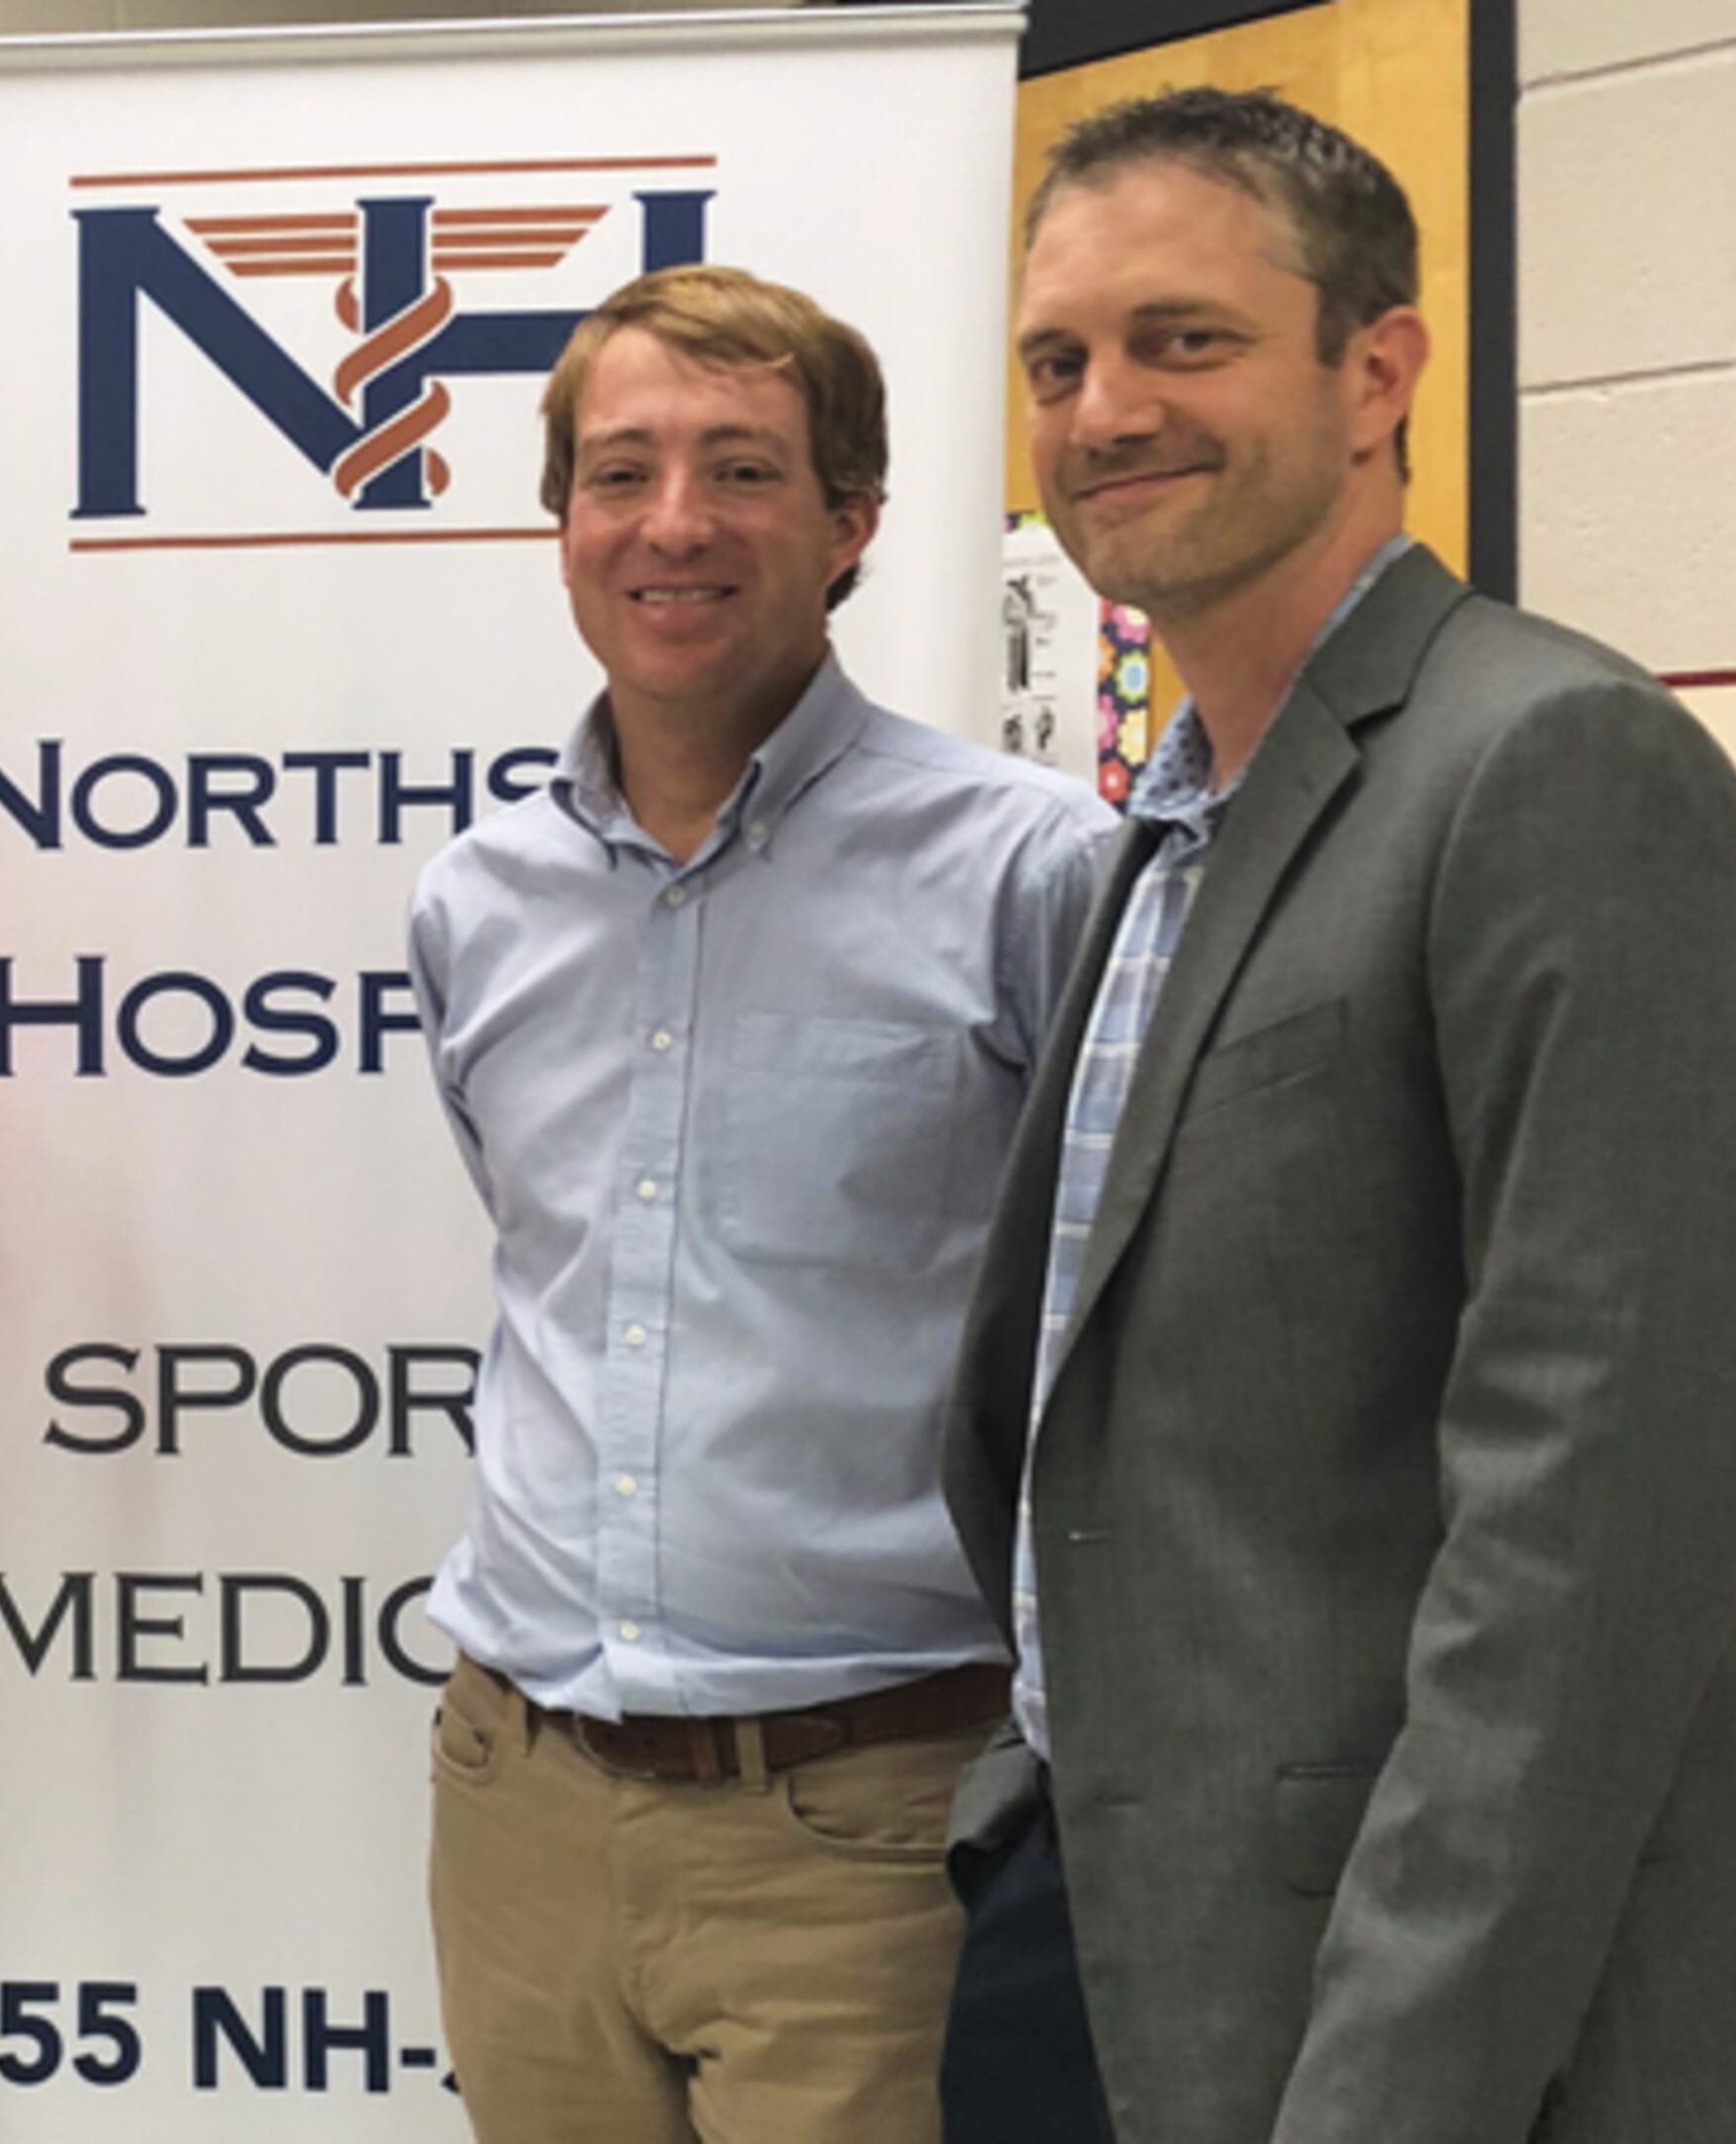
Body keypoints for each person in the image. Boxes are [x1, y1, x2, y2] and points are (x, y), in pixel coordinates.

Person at [940, 87, 1736, 2144]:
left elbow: (1584, 1554)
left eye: (1186, 340)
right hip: (1105, 1922)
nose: (1106, 407)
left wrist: (1392, 2095)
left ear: (1379, 368)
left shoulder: (1554, 763)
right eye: (1060, 362)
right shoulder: (1171, 830)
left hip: (1400, 2010)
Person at [404, 265, 1116, 2144]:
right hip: (521, 1799)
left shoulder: (1032, 877)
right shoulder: (478, 901)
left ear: (852, 523)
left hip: (868, 1827)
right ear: (560, 524)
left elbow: (1111, 1326)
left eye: (740, 470)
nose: (673, 524)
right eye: (619, 471)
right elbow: (547, 1256)